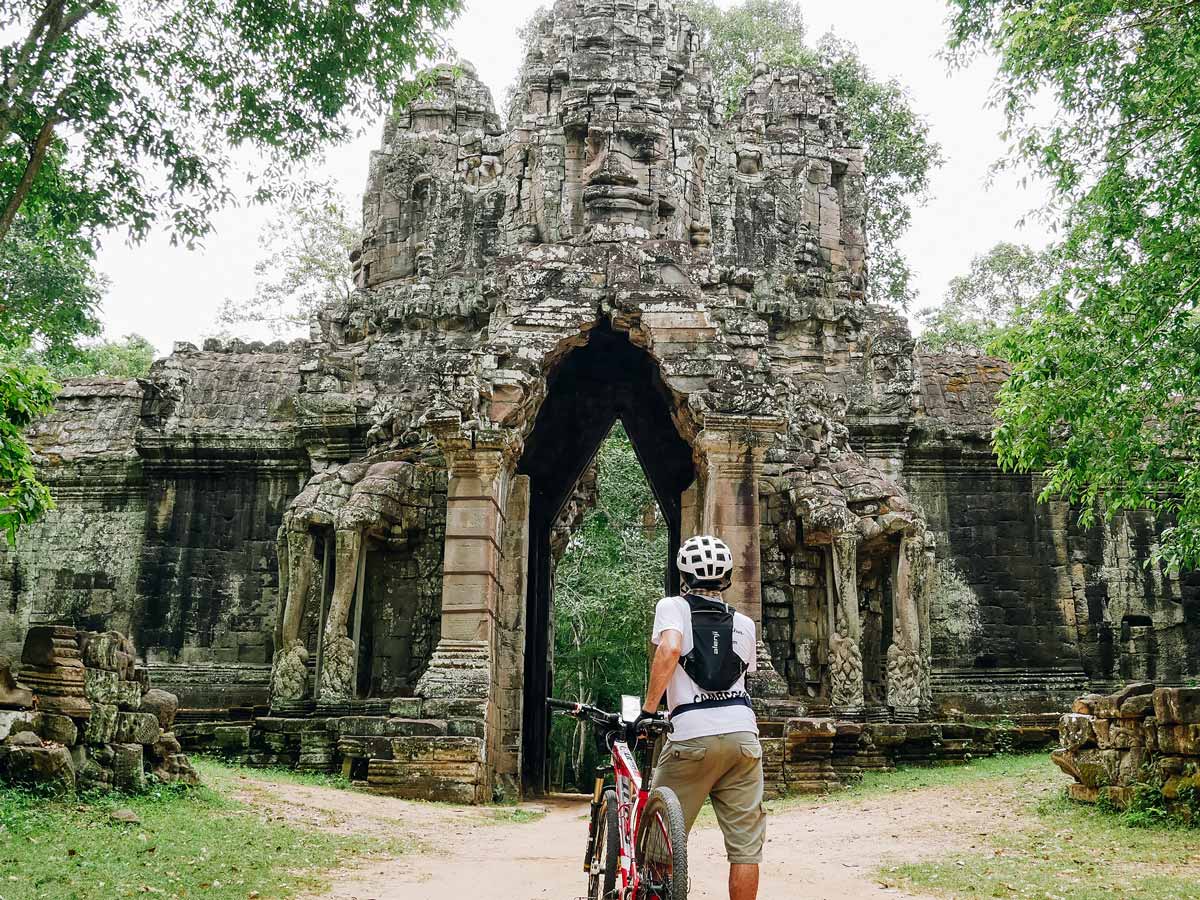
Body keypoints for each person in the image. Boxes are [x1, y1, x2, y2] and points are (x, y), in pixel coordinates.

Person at [638, 534, 765, 900]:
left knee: (660, 839)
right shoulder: (744, 623)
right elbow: (740, 676)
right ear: (726, 579)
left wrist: (649, 711)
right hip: (743, 737)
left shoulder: (673, 606)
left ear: (683, 576)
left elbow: (672, 647)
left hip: (692, 736)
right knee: (745, 850)